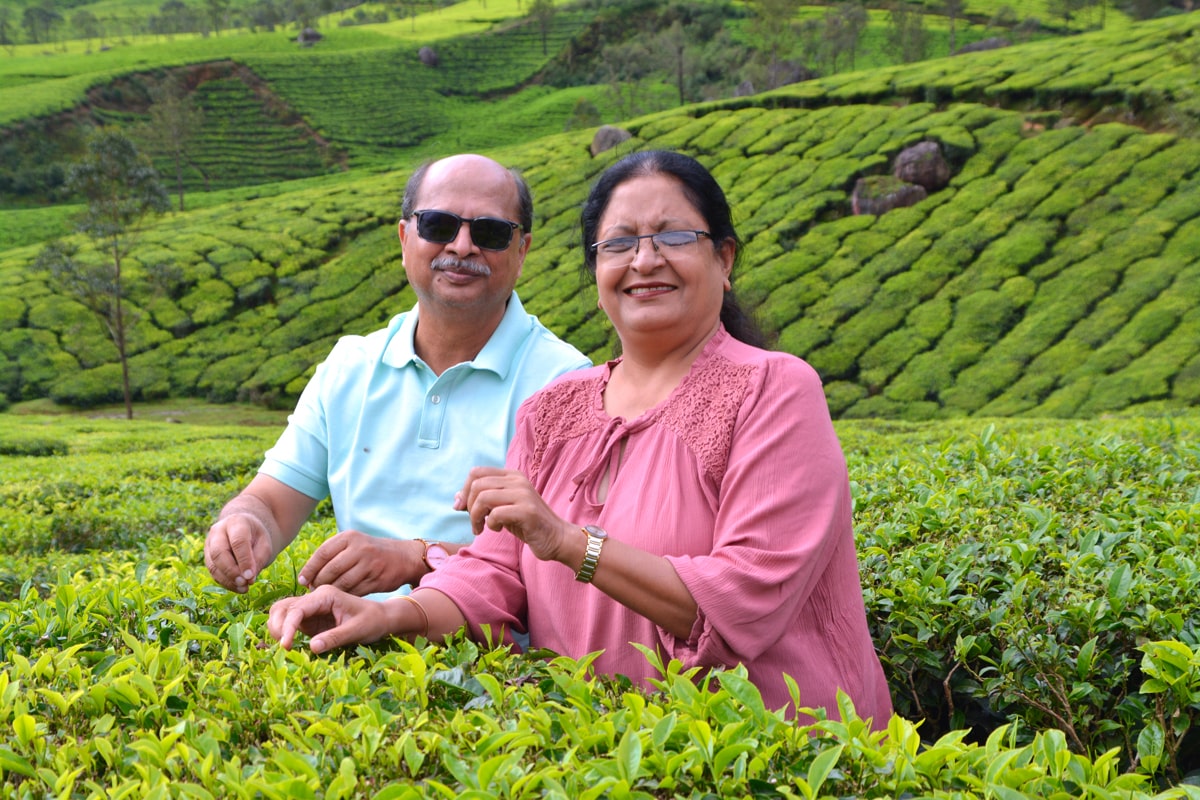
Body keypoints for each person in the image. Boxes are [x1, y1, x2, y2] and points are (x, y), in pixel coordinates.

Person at [266, 150, 893, 724]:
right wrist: (385, 615)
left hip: (777, 753)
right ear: (596, 270)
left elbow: (748, 597)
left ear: (723, 259)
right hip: (610, 756)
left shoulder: (774, 390)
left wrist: (568, 542)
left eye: (674, 237)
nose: (646, 260)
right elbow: (494, 572)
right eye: (618, 244)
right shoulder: (553, 410)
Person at [205, 154, 590, 599]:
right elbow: (271, 503)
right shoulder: (350, 366)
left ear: (521, 251)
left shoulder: (566, 384)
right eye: (438, 226)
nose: (462, 247)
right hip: (348, 651)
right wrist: (244, 525)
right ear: (405, 237)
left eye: (490, 232)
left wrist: (416, 557)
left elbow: (563, 562)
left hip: (491, 660)